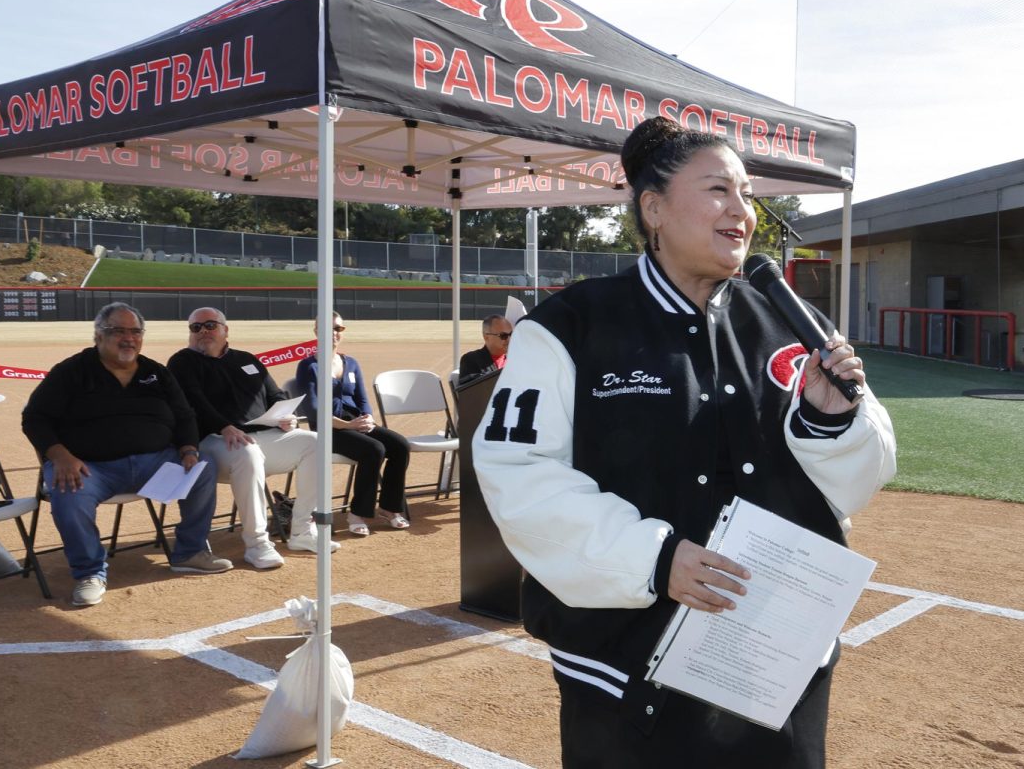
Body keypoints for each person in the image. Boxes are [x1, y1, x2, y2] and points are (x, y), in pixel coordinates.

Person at [473, 117, 897, 768]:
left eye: (747, 192)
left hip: (772, 670)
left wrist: (831, 424)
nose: (743, 211)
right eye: (719, 190)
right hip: (627, 683)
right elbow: (518, 471)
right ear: (654, 208)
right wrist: (654, 558)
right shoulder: (573, 326)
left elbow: (861, 479)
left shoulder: (791, 322)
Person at [22, 302, 231, 607]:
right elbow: (35, 418)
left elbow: (185, 415)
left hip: (154, 462)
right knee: (67, 490)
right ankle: (90, 572)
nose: (128, 338)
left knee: (204, 469)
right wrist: (60, 456)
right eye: (118, 331)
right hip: (91, 467)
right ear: (99, 335)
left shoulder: (155, 372)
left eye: (135, 331)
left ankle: (190, 551)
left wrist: (188, 449)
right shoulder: (71, 372)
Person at [167, 307, 339, 569]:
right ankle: (257, 544)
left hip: (263, 436)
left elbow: (276, 395)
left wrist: (286, 415)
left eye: (210, 325)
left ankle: (302, 530)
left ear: (226, 330)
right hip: (215, 441)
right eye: (196, 328)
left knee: (316, 442)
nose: (203, 331)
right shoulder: (182, 362)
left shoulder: (247, 359)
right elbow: (194, 402)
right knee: (247, 452)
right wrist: (223, 426)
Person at [294, 311, 411, 535]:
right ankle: (357, 513)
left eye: (339, 328)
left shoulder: (351, 363)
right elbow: (313, 410)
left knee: (400, 446)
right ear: (317, 331)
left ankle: (389, 507)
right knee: (374, 449)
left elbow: (362, 399)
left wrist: (368, 418)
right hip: (329, 429)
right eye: (329, 328)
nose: (335, 333)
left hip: (355, 423)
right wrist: (348, 426)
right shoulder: (309, 366)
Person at [457, 314, 512, 387]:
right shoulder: (471, 360)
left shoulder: (515, 361)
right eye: (503, 335)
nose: (509, 339)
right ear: (486, 336)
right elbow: (469, 395)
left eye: (511, 334)